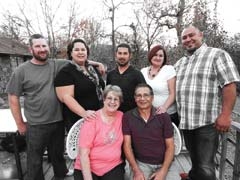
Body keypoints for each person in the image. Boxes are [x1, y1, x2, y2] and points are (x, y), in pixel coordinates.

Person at [174, 25, 240, 180]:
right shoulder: (180, 63)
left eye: (191, 35)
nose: (188, 39)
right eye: (184, 37)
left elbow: (230, 85)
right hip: (187, 122)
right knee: (195, 160)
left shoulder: (216, 55)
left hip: (207, 123)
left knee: (206, 167)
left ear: (201, 35)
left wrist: (225, 115)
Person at [6, 34, 69, 180]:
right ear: (31, 49)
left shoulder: (56, 64)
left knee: (58, 155)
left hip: (57, 121)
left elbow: (77, 60)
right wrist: (19, 123)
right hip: (35, 124)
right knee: (34, 161)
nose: (42, 49)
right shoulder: (21, 70)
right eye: (38, 46)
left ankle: (61, 175)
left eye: (44, 46)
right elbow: (13, 97)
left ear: (48, 47)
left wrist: (97, 64)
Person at [122, 83, 175, 180]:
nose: (142, 99)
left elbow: (170, 146)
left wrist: (163, 171)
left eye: (146, 95)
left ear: (152, 97)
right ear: (135, 98)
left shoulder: (163, 116)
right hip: (142, 163)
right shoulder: (128, 117)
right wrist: (136, 170)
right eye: (139, 95)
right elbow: (127, 146)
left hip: (165, 163)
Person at [74, 85, 125, 180]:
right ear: (104, 100)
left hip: (112, 165)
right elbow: (83, 153)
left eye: (116, 99)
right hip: (88, 167)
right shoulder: (92, 119)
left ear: (120, 102)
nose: (112, 102)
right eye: (109, 98)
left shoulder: (122, 117)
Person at [54, 38, 105, 131]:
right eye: (76, 50)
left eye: (83, 49)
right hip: (79, 120)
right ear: (71, 53)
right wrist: (84, 113)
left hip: (98, 116)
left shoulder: (91, 68)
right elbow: (66, 97)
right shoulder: (66, 72)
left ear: (87, 52)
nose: (80, 52)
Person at [141, 45, 179, 126]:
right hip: (148, 115)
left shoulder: (168, 70)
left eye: (161, 56)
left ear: (164, 58)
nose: (158, 58)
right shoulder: (143, 71)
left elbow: (173, 93)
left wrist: (164, 108)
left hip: (167, 114)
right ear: (151, 56)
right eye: (155, 55)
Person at [106, 43, 146, 113]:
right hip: (113, 115)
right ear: (116, 55)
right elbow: (107, 96)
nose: (122, 56)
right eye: (120, 53)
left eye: (125, 53)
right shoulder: (110, 75)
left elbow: (144, 96)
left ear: (130, 56)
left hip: (132, 115)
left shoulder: (137, 74)